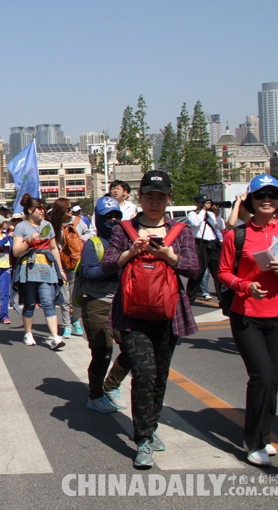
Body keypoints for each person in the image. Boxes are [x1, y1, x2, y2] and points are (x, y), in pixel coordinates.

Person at [101, 170, 199, 469]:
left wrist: (171, 257)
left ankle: (151, 425)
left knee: (159, 376)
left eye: (161, 197)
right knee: (143, 372)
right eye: (149, 196)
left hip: (169, 314)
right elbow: (107, 266)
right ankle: (143, 438)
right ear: (139, 198)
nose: (154, 202)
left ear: (169, 198)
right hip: (131, 313)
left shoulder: (180, 231)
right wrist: (129, 253)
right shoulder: (124, 229)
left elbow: (194, 269)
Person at [217, 175, 278, 466]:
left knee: (271, 380)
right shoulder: (236, 235)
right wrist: (244, 286)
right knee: (261, 375)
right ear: (250, 199)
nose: (267, 200)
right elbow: (223, 272)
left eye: (273, 196)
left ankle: (263, 433)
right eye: (261, 195)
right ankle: (253, 441)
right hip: (246, 315)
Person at [78, 196, 131, 413]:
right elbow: (89, 273)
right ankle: (95, 395)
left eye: (116, 216)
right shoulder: (93, 244)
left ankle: (111, 386)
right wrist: (116, 267)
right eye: (107, 217)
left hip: (123, 303)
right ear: (99, 220)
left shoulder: (127, 242)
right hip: (97, 303)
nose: (113, 221)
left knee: (132, 350)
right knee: (102, 352)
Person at [11, 194, 66, 350]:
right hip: (28, 268)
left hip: (47, 268)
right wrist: (29, 241)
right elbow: (16, 251)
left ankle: (55, 336)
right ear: (30, 210)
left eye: (44, 208)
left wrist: (60, 269)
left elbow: (54, 248)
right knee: (29, 303)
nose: (43, 211)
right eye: (40, 208)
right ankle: (28, 333)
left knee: (48, 301)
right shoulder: (21, 227)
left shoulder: (47, 225)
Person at [51, 197, 89, 338]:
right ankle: (67, 325)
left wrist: (81, 241)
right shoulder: (53, 225)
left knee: (76, 297)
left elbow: (89, 233)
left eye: (71, 208)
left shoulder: (78, 222)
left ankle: (76, 320)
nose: (71, 211)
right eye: (68, 209)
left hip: (77, 263)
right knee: (65, 298)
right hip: (61, 263)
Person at [186, 194, 223, 304]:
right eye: (203, 203)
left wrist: (217, 215)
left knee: (218, 274)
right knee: (198, 273)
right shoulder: (193, 213)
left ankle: (223, 299)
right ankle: (189, 299)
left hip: (213, 244)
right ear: (197, 204)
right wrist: (203, 210)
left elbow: (221, 226)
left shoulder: (211, 214)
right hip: (201, 245)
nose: (206, 205)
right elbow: (195, 223)